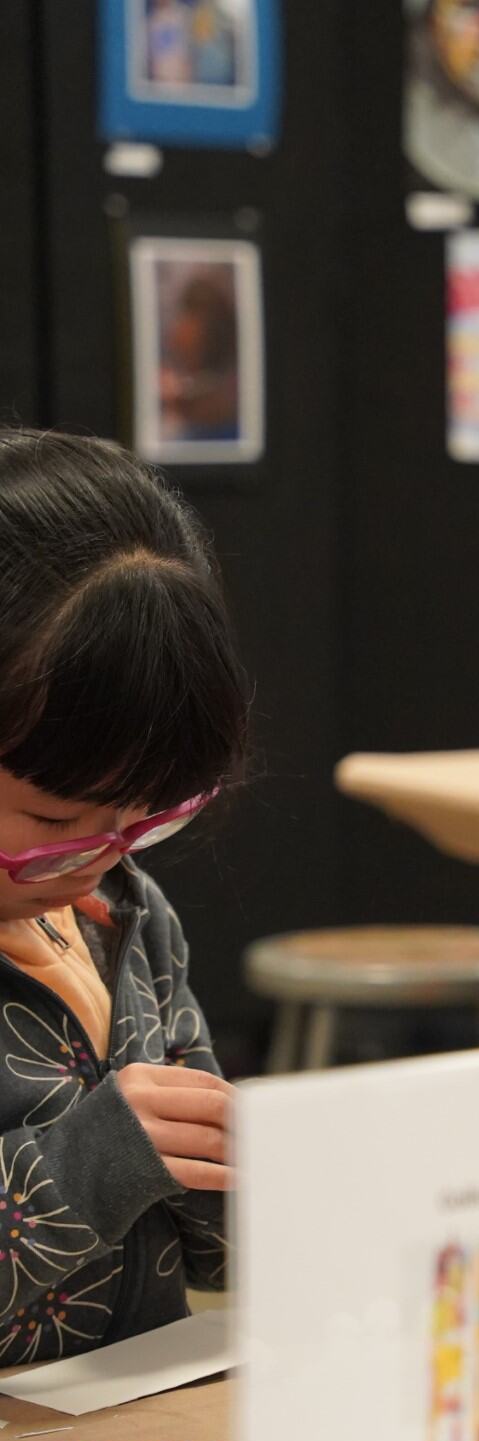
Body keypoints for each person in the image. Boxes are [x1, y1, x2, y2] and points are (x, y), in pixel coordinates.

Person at [0, 429, 250, 1362]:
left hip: (119, 1429)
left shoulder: (125, 914)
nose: (97, 860)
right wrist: (96, 1160)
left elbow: (207, 1253)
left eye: (144, 817)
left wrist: (245, 1174)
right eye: (54, 816)